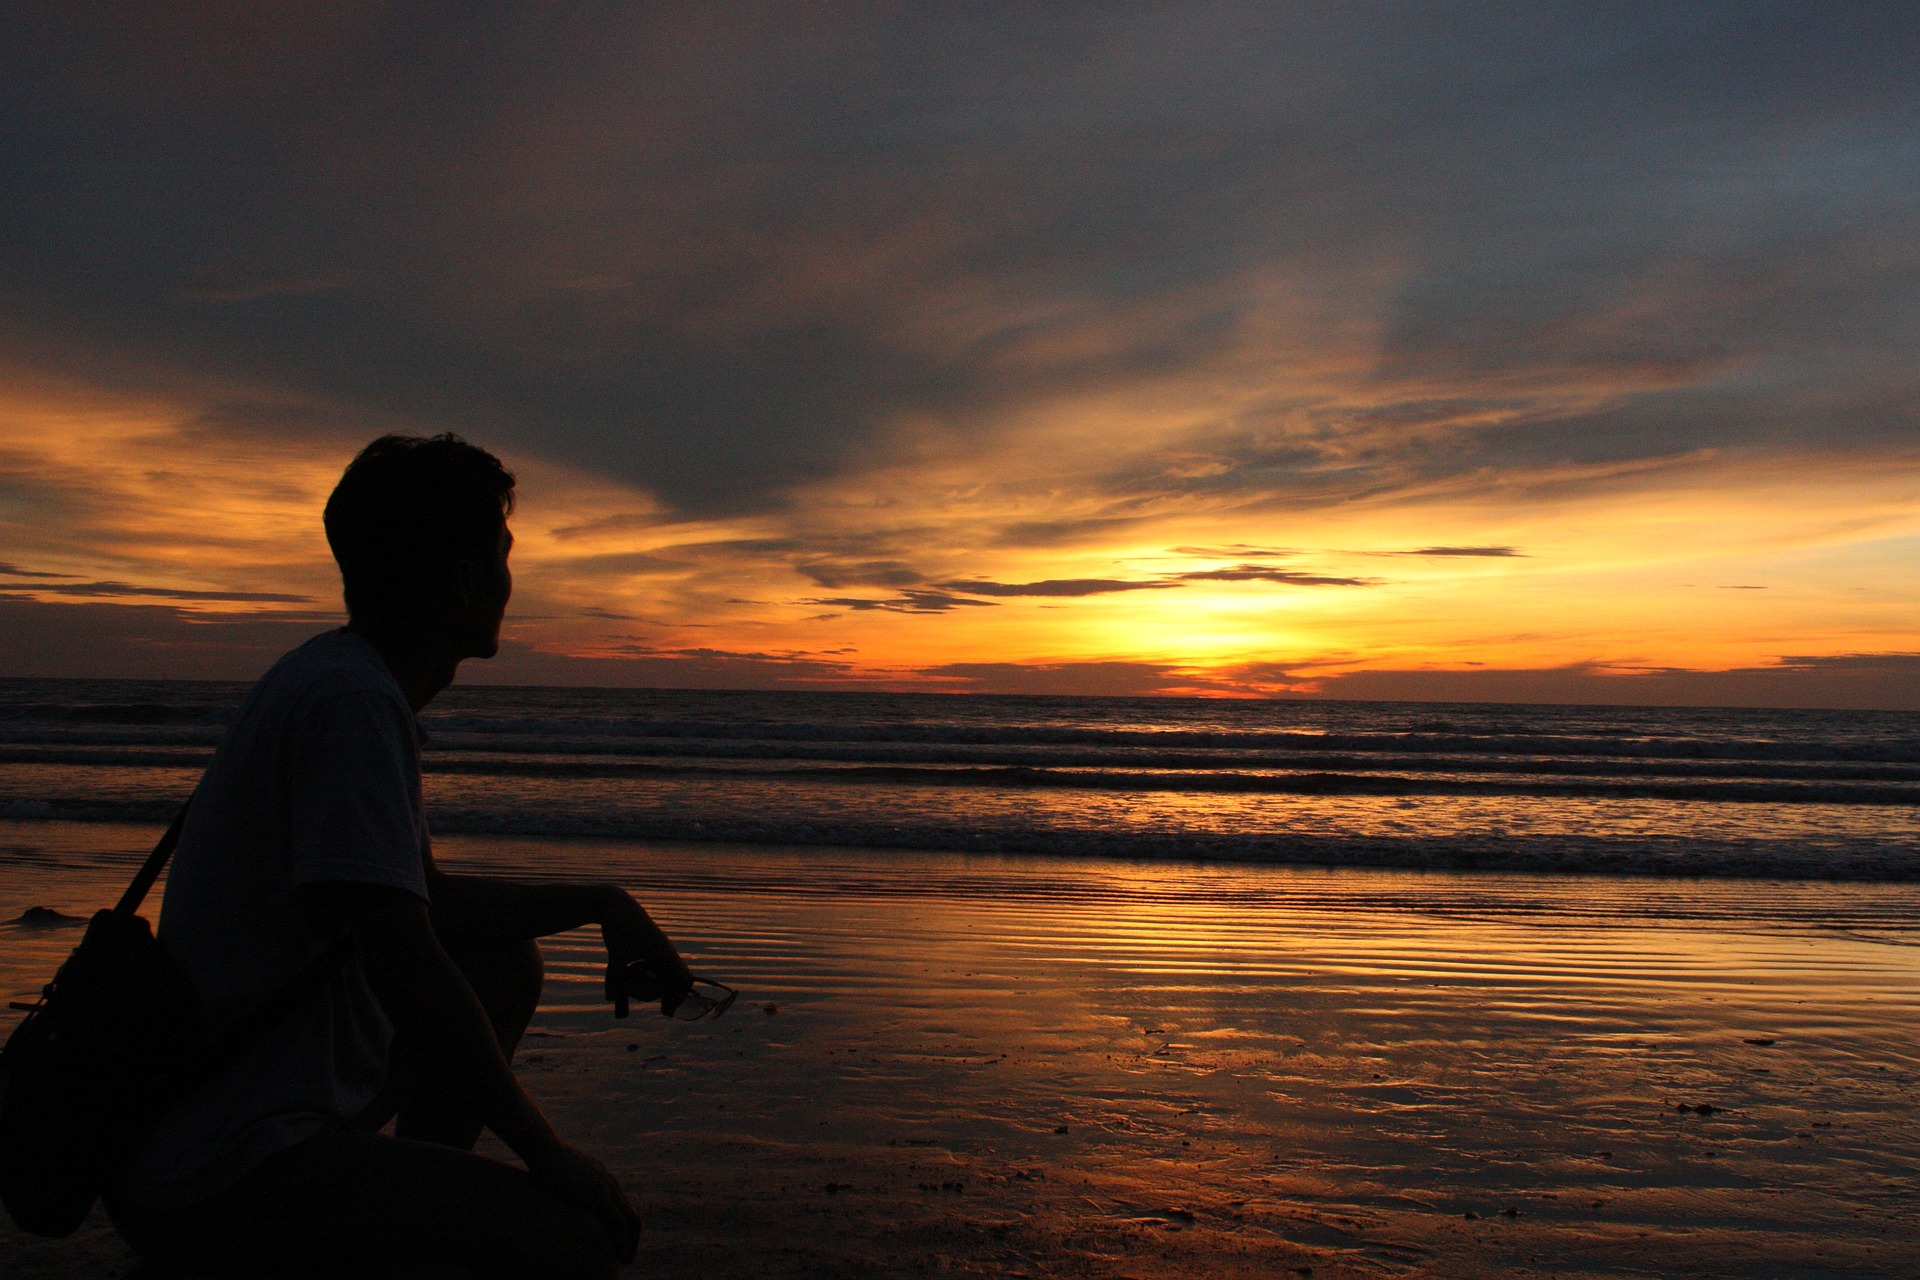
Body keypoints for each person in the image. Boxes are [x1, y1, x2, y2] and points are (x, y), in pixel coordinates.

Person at [104, 434, 692, 1278]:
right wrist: (545, 1151)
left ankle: (408, 1212)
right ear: (460, 578)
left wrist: (605, 901)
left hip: (237, 1110)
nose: (509, 583)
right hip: (228, 1159)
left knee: (498, 965)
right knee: (574, 1239)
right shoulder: (351, 704)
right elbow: (404, 953)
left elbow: (427, 906)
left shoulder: (335, 677)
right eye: (501, 555)